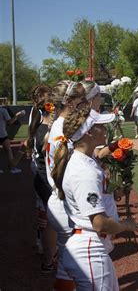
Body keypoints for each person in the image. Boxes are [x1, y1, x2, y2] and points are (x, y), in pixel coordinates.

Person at [52, 107, 138, 289]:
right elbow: (99, 222)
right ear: (89, 132)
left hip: (90, 245)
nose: (105, 128)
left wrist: (116, 190)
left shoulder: (85, 160)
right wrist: (126, 226)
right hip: (89, 248)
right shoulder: (84, 170)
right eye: (100, 125)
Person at [45, 80, 87, 289]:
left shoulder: (58, 125)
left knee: (68, 265)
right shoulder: (63, 127)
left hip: (59, 199)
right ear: (69, 102)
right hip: (64, 202)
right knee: (71, 267)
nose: (85, 104)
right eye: (82, 100)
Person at [25, 84, 57, 273]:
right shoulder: (46, 130)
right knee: (54, 223)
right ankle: (49, 258)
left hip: (41, 177)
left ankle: (46, 252)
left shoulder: (38, 124)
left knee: (47, 217)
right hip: (45, 179)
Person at [0, 100, 25, 174]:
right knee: (8, 151)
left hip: (3, 134)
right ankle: (12, 168)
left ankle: (12, 167)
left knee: (8, 150)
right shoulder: (2, 110)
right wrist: (17, 116)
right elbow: (10, 122)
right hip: (2, 134)